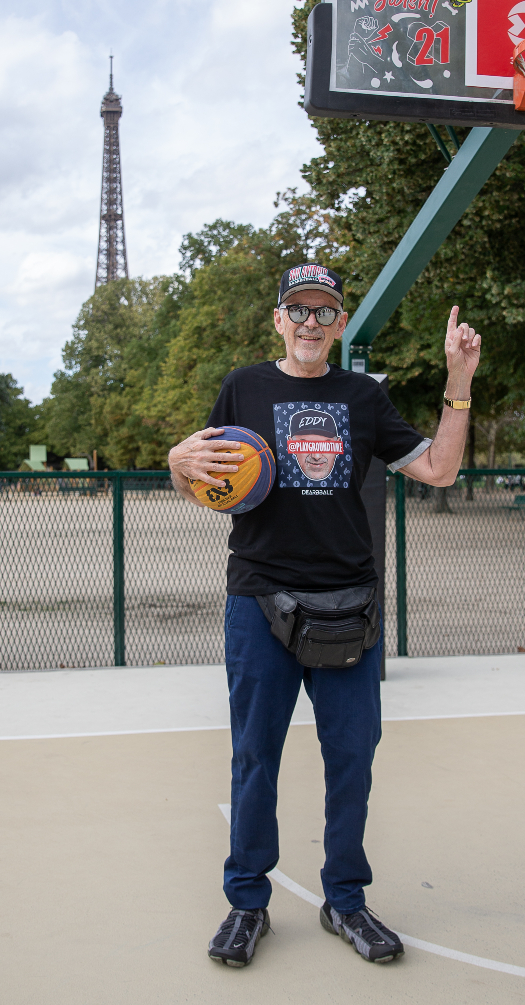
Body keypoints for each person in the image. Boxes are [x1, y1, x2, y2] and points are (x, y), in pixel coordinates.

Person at [168, 262, 480, 969]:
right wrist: (176, 461)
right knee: (255, 756)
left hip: (347, 603)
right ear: (279, 319)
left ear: (340, 323)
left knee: (351, 758)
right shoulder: (243, 387)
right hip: (259, 599)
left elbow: (439, 470)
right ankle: (247, 903)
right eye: (298, 310)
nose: (311, 322)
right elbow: (204, 482)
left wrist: (458, 383)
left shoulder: (363, 396)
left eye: (324, 311)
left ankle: (345, 899)